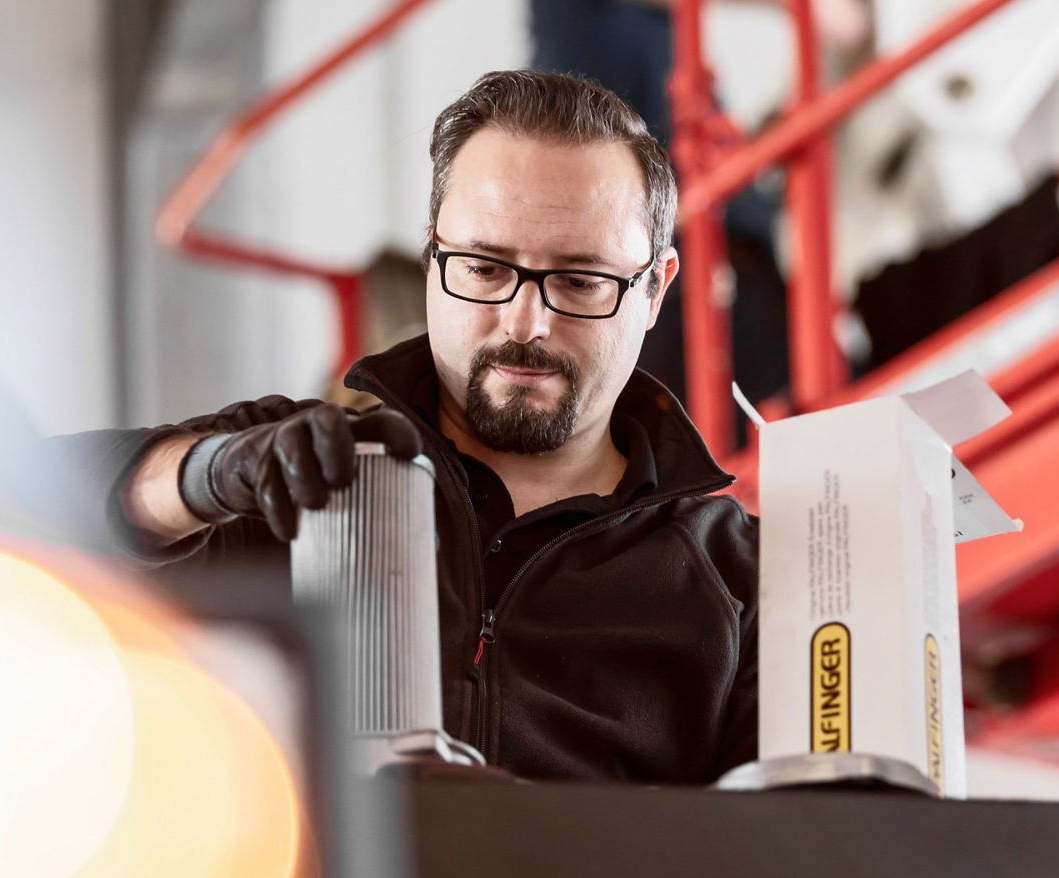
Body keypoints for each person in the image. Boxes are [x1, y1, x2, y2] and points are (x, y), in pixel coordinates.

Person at [82, 70, 757, 784]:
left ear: (655, 290)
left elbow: (785, 866)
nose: (526, 323)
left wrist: (526, 837)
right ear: (434, 256)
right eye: (484, 267)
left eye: (581, 281)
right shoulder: (293, 471)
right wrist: (203, 477)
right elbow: (11, 503)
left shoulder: (736, 585)